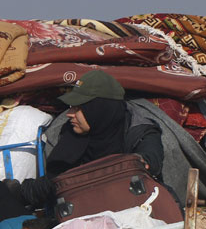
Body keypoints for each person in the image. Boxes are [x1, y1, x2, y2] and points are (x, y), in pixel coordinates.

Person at [16, 70, 164, 209]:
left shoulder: (139, 131)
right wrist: (19, 192)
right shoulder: (72, 134)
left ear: (98, 109)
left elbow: (151, 159)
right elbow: (57, 181)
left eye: (78, 108)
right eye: (71, 107)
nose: (69, 114)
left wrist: (139, 162)